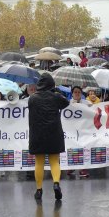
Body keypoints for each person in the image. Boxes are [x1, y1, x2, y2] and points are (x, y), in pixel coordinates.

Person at [28, 73, 69, 201]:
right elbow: (66, 103)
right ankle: (56, 183)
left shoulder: (32, 98)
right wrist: (56, 92)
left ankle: (39, 190)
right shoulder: (56, 97)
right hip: (54, 133)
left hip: (37, 135)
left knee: (39, 162)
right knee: (54, 161)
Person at [68, 86, 90, 178]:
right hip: (72, 130)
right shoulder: (68, 103)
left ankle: (83, 169)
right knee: (72, 148)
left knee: (83, 148)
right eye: (75, 92)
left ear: (81, 93)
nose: (77, 94)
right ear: (72, 94)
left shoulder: (87, 103)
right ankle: (71, 167)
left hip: (83, 130)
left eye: (79, 92)